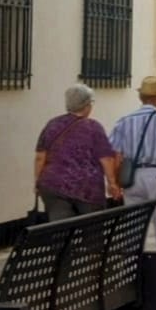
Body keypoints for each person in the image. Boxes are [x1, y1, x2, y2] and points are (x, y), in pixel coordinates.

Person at [108, 76, 156, 253]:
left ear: (140, 97)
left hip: (132, 177)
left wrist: (114, 182)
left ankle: (133, 267)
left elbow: (116, 154)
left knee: (133, 227)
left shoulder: (124, 121)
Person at [34, 84, 120, 221]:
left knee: (60, 231)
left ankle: (61, 242)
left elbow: (40, 157)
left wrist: (37, 182)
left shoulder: (52, 124)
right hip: (87, 189)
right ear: (86, 105)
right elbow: (106, 159)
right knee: (92, 233)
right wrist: (112, 183)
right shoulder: (93, 127)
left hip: (53, 185)